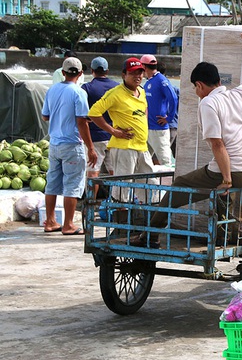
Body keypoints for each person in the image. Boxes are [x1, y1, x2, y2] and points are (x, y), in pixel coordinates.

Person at [143, 28, 242, 246]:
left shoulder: (208, 103)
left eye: (195, 88)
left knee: (178, 186)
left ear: (199, 85)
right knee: (216, 193)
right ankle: (223, 235)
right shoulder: (241, 92)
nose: (196, 92)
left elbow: (218, 145)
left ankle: (150, 235)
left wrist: (226, 179)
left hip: (232, 171)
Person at [41, 57, 97, 235]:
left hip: (55, 143)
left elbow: (45, 116)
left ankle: (50, 221)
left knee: (52, 184)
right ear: (80, 74)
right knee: (72, 185)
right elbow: (82, 121)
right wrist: (91, 148)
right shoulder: (79, 92)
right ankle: (68, 224)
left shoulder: (52, 89)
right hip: (72, 144)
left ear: (63, 73)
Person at [87, 57, 156, 200]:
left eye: (140, 73)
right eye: (133, 73)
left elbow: (144, 110)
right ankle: (120, 217)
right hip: (124, 148)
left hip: (142, 147)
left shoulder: (141, 91)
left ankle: (148, 218)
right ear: (124, 75)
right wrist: (113, 131)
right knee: (122, 189)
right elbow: (93, 113)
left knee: (150, 186)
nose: (137, 76)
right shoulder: (115, 93)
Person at [81, 57, 119, 198]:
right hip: (115, 135)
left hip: (95, 137)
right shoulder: (117, 87)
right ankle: (117, 203)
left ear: (92, 71)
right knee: (114, 172)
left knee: (93, 172)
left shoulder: (86, 88)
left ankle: (90, 204)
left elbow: (82, 114)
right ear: (107, 71)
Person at [140, 54, 178, 167]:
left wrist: (169, 118)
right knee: (143, 160)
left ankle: (170, 183)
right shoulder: (149, 82)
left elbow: (173, 98)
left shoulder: (161, 80)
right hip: (148, 128)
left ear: (144, 67)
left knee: (165, 161)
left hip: (158, 128)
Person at [157, 61, 179, 159]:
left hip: (163, 126)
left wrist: (168, 118)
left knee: (158, 157)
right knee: (176, 157)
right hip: (175, 126)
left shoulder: (156, 87)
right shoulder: (174, 88)